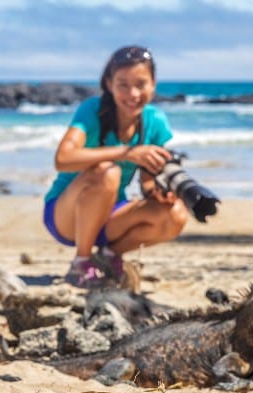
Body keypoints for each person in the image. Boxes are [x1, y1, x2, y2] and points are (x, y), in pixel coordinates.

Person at [43, 45, 188, 288]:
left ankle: (108, 257)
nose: (132, 94)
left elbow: (147, 184)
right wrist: (128, 153)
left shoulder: (155, 122)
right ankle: (81, 262)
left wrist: (159, 194)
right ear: (109, 84)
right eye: (123, 84)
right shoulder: (92, 110)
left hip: (111, 216)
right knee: (109, 172)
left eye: (140, 84)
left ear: (153, 84)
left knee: (176, 215)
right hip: (66, 215)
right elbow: (63, 159)